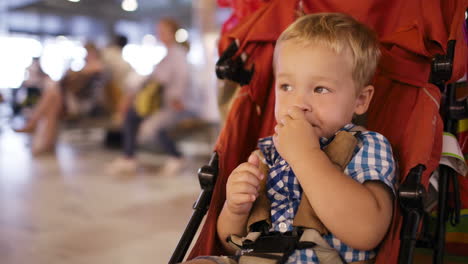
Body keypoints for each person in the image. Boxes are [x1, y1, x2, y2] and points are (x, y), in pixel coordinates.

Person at [187, 13, 396, 264]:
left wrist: (305, 155)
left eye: (320, 89)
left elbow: (367, 232)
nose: (299, 103)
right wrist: (235, 208)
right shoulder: (266, 153)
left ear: (360, 100)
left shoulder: (366, 147)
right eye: (286, 87)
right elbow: (232, 243)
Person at [108, 18, 197, 175]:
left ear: (172, 33)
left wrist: (177, 98)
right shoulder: (168, 54)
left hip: (175, 105)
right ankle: (129, 157)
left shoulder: (177, 54)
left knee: (151, 127)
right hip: (163, 103)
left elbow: (181, 79)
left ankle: (176, 156)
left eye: (163, 31)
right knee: (131, 116)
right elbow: (153, 78)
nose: (160, 34)